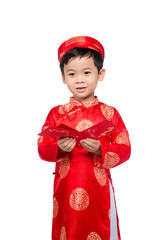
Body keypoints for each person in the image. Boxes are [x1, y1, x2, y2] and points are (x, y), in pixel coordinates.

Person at [38, 36, 131, 240]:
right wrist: (61, 148)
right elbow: (43, 149)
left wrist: (100, 149)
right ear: (63, 77)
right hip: (66, 188)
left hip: (99, 189)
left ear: (101, 74)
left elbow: (124, 148)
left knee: (102, 228)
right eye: (72, 74)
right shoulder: (57, 114)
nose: (79, 79)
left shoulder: (109, 113)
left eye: (87, 72)